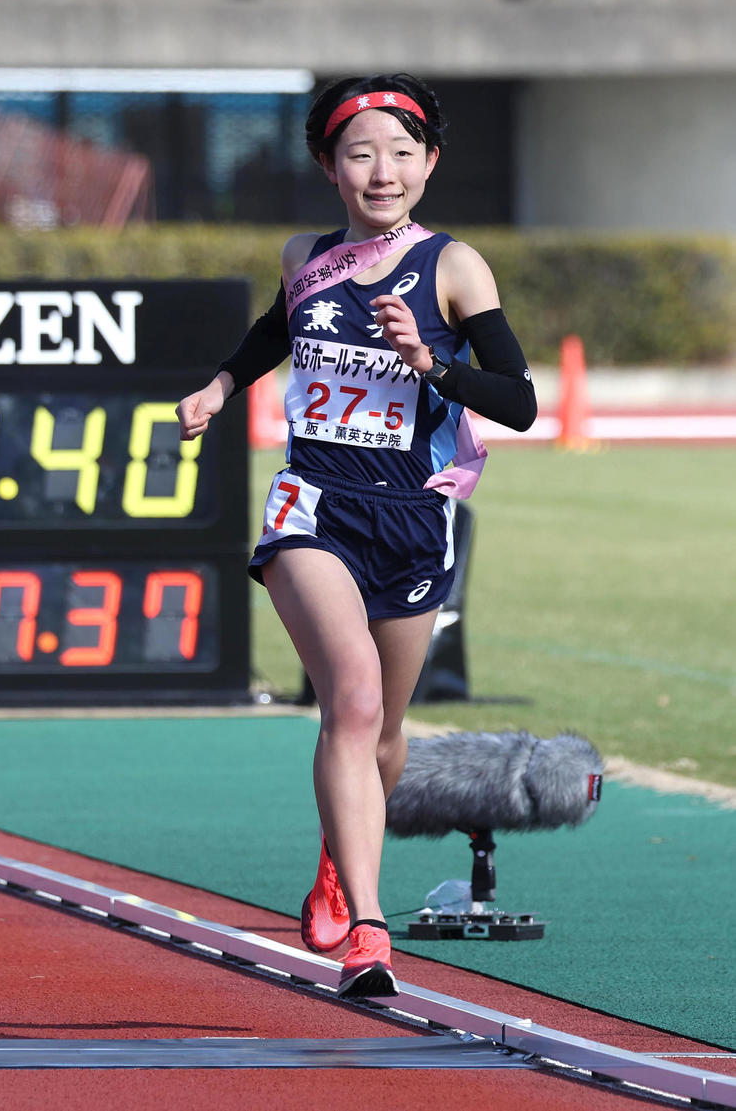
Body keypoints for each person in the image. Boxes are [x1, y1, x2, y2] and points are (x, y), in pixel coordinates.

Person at [176, 73, 537, 998]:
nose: (383, 171)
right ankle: (372, 934)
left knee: (386, 735)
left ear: (429, 165)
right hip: (316, 503)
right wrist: (221, 388)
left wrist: (431, 362)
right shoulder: (307, 255)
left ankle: (342, 858)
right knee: (354, 700)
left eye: (402, 153)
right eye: (362, 153)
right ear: (329, 165)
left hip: (415, 516)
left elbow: (522, 400)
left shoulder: (455, 267)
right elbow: (275, 332)